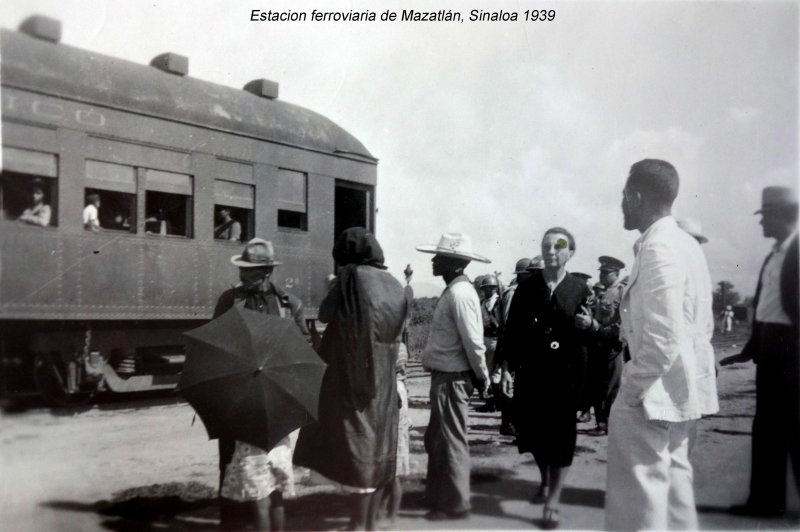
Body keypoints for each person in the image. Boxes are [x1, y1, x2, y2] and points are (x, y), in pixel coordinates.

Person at [606, 159, 719, 530]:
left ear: (635, 196)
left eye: (624, 196)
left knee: (640, 506)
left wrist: (630, 389)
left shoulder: (658, 247)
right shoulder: (687, 245)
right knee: (674, 495)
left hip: (652, 397)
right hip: (679, 393)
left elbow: (661, 336)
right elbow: (700, 325)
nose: (622, 204)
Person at [294, 227, 407, 531]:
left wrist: (334, 286)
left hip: (353, 377)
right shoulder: (394, 283)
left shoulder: (351, 277)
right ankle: (367, 524)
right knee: (375, 454)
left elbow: (325, 315)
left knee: (357, 453)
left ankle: (358, 525)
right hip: (383, 380)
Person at [212, 238, 308, 531]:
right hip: (237, 398)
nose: (241, 276)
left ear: (267, 272)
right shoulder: (230, 300)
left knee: (272, 473)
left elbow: (303, 350)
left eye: (249, 271)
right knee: (231, 464)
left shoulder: (289, 304)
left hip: (274, 402)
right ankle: (233, 523)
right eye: (242, 270)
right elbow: (216, 344)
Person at [500, 227, 592, 529]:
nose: (551, 250)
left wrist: (588, 324)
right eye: (546, 245)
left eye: (559, 245)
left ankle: (554, 498)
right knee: (534, 435)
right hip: (533, 373)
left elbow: (590, 339)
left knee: (563, 436)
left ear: (571, 252)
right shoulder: (527, 288)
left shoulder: (580, 289)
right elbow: (511, 331)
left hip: (567, 375)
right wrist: (507, 369)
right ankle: (544, 479)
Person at [720, 185, 799, 517]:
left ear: (781, 215)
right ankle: (766, 502)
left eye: (765, 216)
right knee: (767, 425)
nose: (761, 223)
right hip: (771, 344)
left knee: (795, 424)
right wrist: (750, 348)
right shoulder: (775, 253)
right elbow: (766, 307)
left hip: (794, 346)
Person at [415, 232, 490, 521]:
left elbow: (473, 342)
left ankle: (455, 503)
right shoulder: (455, 291)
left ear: (453, 263)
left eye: (439, 257)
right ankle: (438, 497)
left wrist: (482, 377)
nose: (434, 261)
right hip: (446, 377)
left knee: (451, 441)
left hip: (452, 378)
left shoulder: (459, 294)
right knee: (437, 439)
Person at [576, 256, 625, 436]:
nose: (602, 275)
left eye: (607, 272)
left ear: (617, 273)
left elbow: (622, 325)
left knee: (611, 387)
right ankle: (600, 422)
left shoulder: (622, 293)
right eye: (601, 272)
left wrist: (594, 326)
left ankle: (607, 424)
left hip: (612, 346)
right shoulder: (600, 294)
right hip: (596, 345)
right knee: (597, 386)